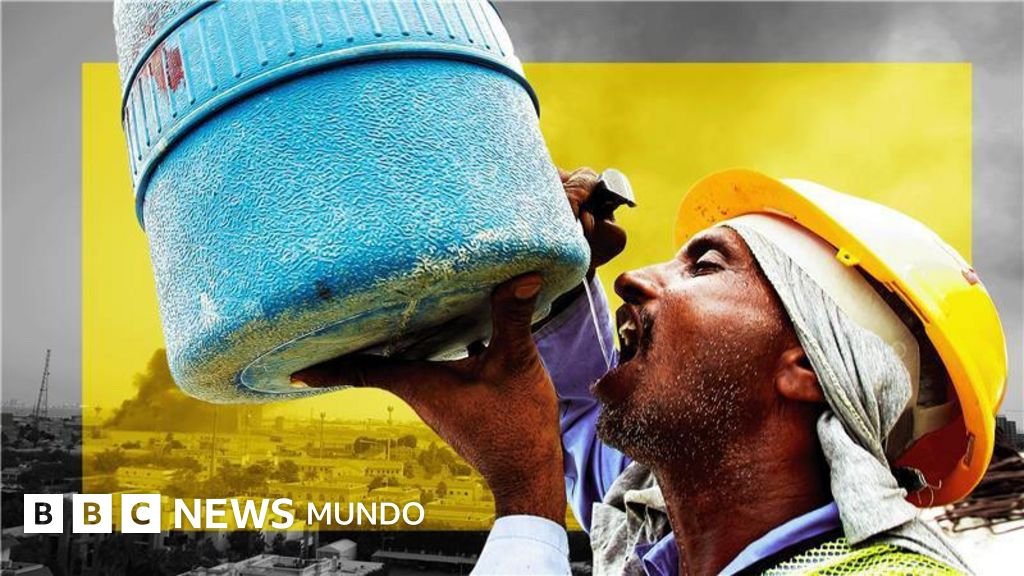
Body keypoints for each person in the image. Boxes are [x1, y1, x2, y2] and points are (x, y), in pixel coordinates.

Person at [294, 168, 1006, 575]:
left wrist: (526, 498)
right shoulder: (671, 527)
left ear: (807, 366)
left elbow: (557, 444)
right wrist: (554, 283)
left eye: (706, 264)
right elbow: (577, 414)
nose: (631, 276)